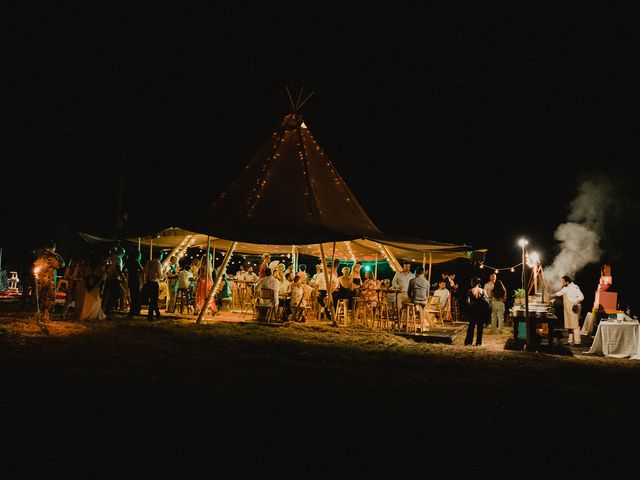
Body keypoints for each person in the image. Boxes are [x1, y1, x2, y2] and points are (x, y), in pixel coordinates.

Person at [32, 241, 66, 321]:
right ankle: (40, 314)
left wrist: (55, 255)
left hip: (48, 280)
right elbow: (36, 263)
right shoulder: (45, 255)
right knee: (43, 297)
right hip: (45, 280)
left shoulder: (53, 256)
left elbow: (62, 264)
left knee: (47, 297)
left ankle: (45, 315)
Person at [549, 275, 585, 346]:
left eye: (563, 281)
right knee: (569, 325)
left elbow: (581, 297)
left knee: (575, 325)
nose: (562, 283)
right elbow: (559, 293)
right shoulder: (566, 288)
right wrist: (550, 295)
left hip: (574, 308)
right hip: (568, 309)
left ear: (567, 282)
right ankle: (570, 340)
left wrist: (576, 303)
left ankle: (577, 342)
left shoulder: (574, 287)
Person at [78, 250, 106, 322]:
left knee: (89, 300)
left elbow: (85, 276)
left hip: (90, 286)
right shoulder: (100, 267)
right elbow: (101, 277)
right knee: (95, 300)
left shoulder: (88, 267)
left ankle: (87, 314)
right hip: (94, 286)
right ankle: (93, 315)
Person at [463, 277, 491, 346]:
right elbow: (487, 301)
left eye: (472, 282)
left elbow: (467, 302)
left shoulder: (470, 291)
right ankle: (478, 342)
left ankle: (468, 342)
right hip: (481, 311)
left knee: (471, 327)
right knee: (480, 328)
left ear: (474, 283)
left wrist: (470, 306)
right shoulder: (483, 291)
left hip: (473, 311)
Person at [405, 266, 430, 330]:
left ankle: (409, 323)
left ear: (416, 273)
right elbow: (427, 294)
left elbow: (408, 292)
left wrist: (411, 297)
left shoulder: (412, 281)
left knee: (406, 304)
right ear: (423, 273)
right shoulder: (427, 282)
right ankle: (421, 325)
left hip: (415, 300)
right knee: (423, 308)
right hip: (423, 301)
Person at [144, 250, 165, 321]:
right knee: (154, 300)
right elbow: (159, 276)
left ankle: (157, 314)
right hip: (154, 282)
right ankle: (150, 316)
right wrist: (164, 274)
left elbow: (145, 273)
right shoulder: (157, 263)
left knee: (153, 300)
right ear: (160, 256)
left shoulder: (148, 262)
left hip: (148, 282)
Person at [125, 249, 144, 318]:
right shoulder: (136, 262)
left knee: (132, 294)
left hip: (130, 278)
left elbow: (123, 270)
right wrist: (138, 272)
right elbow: (142, 270)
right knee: (137, 294)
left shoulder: (128, 261)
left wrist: (129, 272)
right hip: (135, 278)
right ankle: (136, 310)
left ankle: (132, 310)